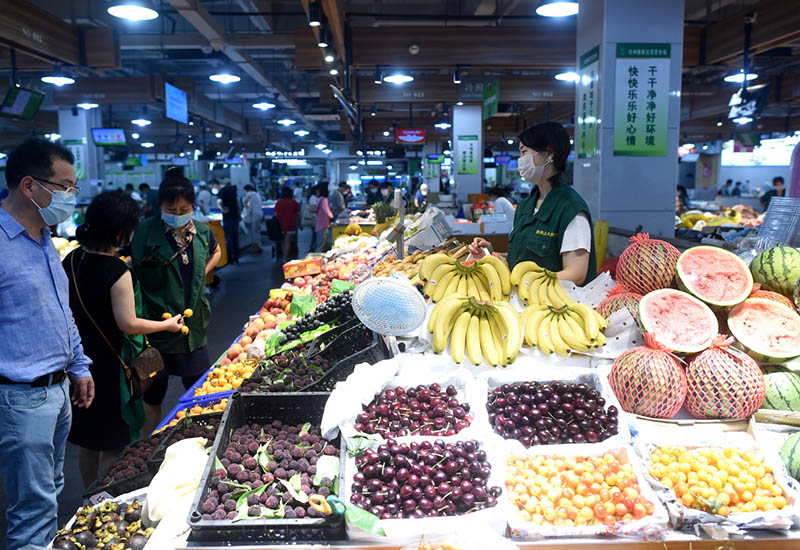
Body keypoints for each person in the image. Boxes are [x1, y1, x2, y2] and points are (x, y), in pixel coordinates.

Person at [0, 137, 94, 550]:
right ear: (29, 186)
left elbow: (61, 309)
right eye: (64, 186)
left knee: (52, 492)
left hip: (57, 392)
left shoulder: (45, 240)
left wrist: (78, 364)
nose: (71, 196)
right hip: (21, 397)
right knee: (33, 509)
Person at [64, 191, 184, 488]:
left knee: (88, 439)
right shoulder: (117, 271)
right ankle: (105, 494)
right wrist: (165, 325)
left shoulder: (72, 259)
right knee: (114, 442)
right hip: (109, 366)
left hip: (77, 362)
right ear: (120, 231)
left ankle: (87, 495)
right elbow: (128, 324)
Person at [131, 167, 221, 435]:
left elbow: (215, 252)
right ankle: (148, 445)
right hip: (156, 327)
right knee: (152, 394)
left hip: (192, 327)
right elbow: (133, 274)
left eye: (184, 209)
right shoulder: (145, 233)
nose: (178, 214)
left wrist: (200, 273)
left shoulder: (202, 233)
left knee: (198, 389)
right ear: (161, 205)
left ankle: (201, 438)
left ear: (193, 206)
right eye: (172, 208)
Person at [470, 122, 597, 286]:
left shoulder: (570, 208)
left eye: (524, 152)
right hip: (523, 300)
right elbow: (525, 260)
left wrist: (523, 280)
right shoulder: (526, 207)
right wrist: (493, 254)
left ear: (549, 153)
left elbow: (576, 274)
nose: (521, 160)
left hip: (556, 305)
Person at [274, 186, 302, 263]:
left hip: (280, 224)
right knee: (288, 240)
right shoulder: (293, 202)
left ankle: (284, 256)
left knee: (283, 240)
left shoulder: (279, 202)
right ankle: (285, 257)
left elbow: (275, 214)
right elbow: (298, 214)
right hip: (290, 223)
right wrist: (300, 224)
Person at [218, 181, 241, 264]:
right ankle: (236, 257)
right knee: (235, 237)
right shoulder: (233, 191)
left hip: (227, 218)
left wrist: (222, 208)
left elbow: (219, 202)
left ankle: (229, 258)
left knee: (228, 238)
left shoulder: (222, 191)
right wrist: (239, 215)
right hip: (235, 217)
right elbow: (237, 203)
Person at [242, 184, 264, 253]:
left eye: (244, 191)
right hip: (259, 214)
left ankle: (255, 248)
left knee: (254, 231)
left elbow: (244, 202)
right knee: (257, 231)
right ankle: (258, 246)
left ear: (247, 190)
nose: (244, 193)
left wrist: (247, 209)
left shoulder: (250, 193)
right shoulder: (256, 194)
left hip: (255, 215)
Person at [315, 182, 334, 253]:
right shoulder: (324, 200)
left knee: (323, 244)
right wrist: (332, 217)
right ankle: (316, 261)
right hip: (323, 224)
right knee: (321, 245)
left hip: (320, 223)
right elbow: (327, 211)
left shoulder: (319, 198)